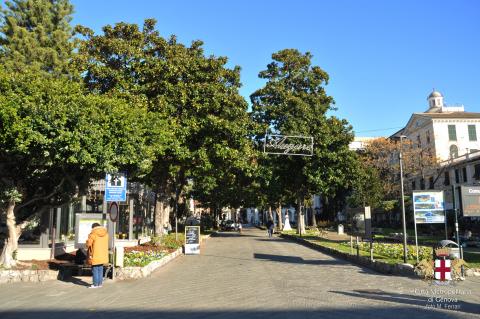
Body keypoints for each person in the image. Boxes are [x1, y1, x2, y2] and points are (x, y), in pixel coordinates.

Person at [86, 222, 109, 288]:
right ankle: (100, 284)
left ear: (93, 228)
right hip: (102, 254)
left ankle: (95, 284)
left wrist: (87, 241)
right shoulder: (106, 233)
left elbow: (88, 244)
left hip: (95, 254)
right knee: (100, 268)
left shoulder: (93, 233)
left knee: (95, 269)